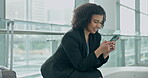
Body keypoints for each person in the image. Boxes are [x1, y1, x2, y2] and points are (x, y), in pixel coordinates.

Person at [41, 3, 116, 78]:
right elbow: (81, 66)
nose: (99, 26)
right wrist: (99, 50)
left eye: (100, 22)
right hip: (58, 70)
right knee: (92, 75)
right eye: (96, 22)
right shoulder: (70, 37)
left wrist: (105, 53)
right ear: (85, 19)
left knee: (96, 73)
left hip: (75, 67)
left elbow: (92, 64)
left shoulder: (96, 36)